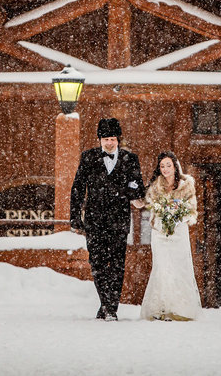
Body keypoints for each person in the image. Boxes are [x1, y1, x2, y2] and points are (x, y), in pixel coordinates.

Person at [70, 117, 145, 321]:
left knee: (117, 265)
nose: (109, 143)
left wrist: (128, 191)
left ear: (118, 139)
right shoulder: (88, 158)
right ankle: (106, 303)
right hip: (94, 221)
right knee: (97, 263)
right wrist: (75, 217)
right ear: (99, 140)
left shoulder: (131, 159)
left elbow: (138, 186)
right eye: (105, 139)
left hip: (119, 221)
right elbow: (77, 188)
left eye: (112, 138)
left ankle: (110, 308)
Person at [140, 151, 202, 321]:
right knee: (162, 267)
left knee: (178, 268)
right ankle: (160, 308)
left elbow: (192, 211)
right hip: (159, 233)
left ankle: (179, 309)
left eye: (168, 165)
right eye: (162, 166)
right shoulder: (155, 186)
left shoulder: (186, 185)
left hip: (179, 233)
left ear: (175, 166)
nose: (165, 169)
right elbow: (147, 205)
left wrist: (178, 215)